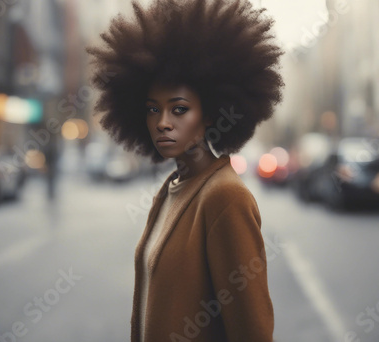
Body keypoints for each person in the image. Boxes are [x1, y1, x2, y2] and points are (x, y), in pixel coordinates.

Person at [87, 0, 285, 340]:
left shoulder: (225, 196)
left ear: (209, 115)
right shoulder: (173, 187)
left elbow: (252, 331)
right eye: (153, 109)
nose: (163, 123)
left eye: (179, 109)